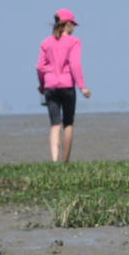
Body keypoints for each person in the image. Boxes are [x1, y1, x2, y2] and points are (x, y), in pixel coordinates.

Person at [37, 9, 89, 162]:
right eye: (73, 24)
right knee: (68, 124)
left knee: (55, 125)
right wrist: (82, 86)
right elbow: (75, 64)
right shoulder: (74, 42)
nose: (73, 28)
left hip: (49, 87)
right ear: (68, 24)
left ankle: (54, 160)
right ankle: (65, 162)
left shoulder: (46, 42)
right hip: (67, 86)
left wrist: (42, 85)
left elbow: (40, 67)